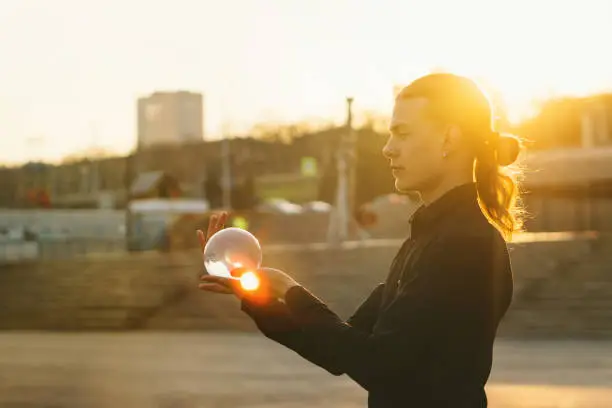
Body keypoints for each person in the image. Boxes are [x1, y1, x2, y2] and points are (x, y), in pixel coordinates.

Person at [198, 73, 522, 408]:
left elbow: (376, 363)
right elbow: (339, 349)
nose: (387, 148)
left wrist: (290, 290)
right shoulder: (426, 239)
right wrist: (257, 295)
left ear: (449, 138)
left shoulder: (466, 243)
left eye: (403, 133)